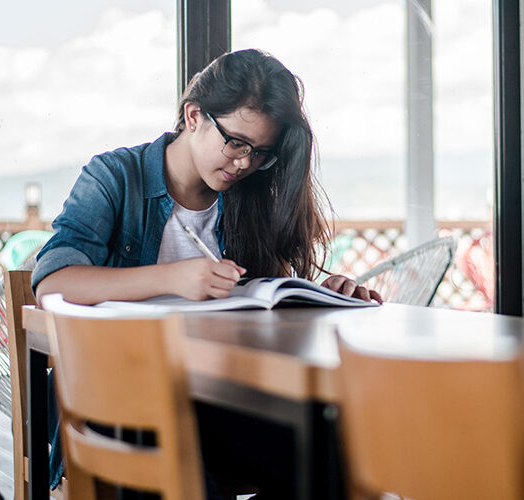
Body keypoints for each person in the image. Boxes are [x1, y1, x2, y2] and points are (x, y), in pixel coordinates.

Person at [32, 48, 380, 499]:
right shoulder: (115, 176)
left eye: (260, 153)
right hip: (120, 395)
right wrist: (172, 278)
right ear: (194, 115)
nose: (244, 164)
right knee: (171, 453)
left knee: (332, 449)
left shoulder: (249, 197)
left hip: (220, 396)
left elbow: (259, 301)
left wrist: (317, 295)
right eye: (235, 142)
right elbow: (53, 283)